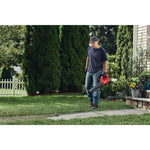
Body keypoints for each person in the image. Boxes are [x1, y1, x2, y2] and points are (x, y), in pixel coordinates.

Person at [85, 36, 108, 109]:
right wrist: (86, 67)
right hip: (89, 71)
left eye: (93, 43)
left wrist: (105, 72)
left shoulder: (102, 50)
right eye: (91, 43)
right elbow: (88, 58)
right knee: (87, 87)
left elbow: (105, 61)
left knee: (96, 88)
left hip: (97, 72)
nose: (92, 44)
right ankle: (91, 101)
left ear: (97, 41)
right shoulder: (89, 49)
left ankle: (95, 104)